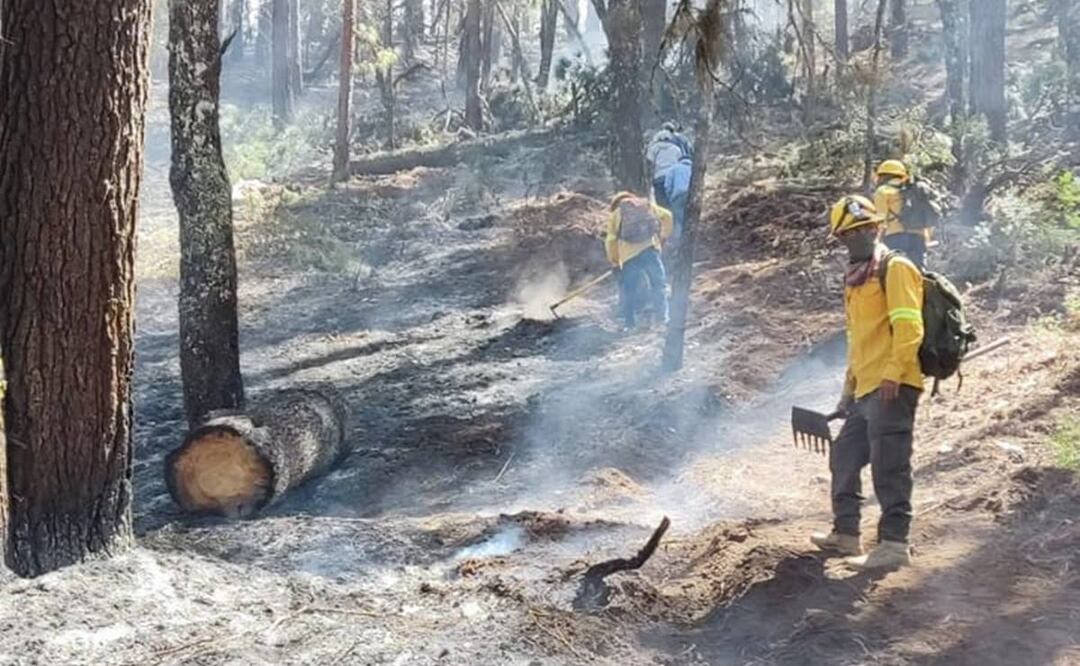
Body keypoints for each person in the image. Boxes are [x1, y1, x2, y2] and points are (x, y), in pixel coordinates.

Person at [811, 194, 925, 571]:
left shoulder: (897, 268)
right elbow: (858, 340)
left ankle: (894, 543)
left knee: (889, 463)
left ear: (878, 228)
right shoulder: (857, 279)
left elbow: (910, 327)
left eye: (864, 228)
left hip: (893, 384)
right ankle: (846, 534)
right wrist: (848, 390)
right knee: (844, 455)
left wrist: (895, 372)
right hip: (865, 387)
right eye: (849, 232)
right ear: (840, 238)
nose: (857, 237)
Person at [605, 192, 674, 331]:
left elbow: (611, 240)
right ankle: (662, 320)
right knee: (658, 285)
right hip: (650, 251)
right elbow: (668, 216)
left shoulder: (616, 214)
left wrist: (614, 261)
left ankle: (630, 325)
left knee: (629, 291)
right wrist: (663, 236)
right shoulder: (647, 206)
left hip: (629, 257)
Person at [874, 160, 931, 270]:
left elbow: (881, 220)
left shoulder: (882, 191)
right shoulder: (914, 190)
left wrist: (877, 241)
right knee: (919, 273)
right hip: (918, 237)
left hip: (894, 237)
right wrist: (926, 239)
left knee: (896, 272)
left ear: (882, 175)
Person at [645, 123, 692, 210]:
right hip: (673, 178)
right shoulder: (676, 149)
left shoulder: (653, 148)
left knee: (661, 205)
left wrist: (649, 179)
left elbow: (649, 164)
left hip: (658, 178)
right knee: (672, 203)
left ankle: (664, 221)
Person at [663, 156, 693, 241]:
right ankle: (691, 238)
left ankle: (680, 242)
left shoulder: (673, 168)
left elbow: (667, 185)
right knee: (690, 218)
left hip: (678, 196)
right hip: (691, 196)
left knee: (679, 220)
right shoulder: (693, 169)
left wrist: (670, 198)